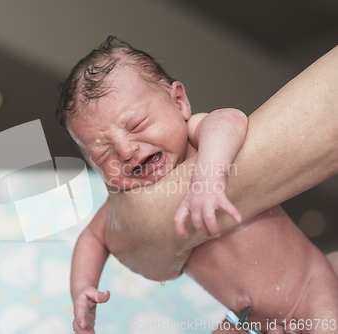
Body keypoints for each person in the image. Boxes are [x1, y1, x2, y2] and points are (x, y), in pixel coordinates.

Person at [56, 36, 338, 333]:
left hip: (308, 286)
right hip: (246, 320)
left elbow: (229, 120)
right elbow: (93, 238)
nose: (126, 151)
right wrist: (82, 287)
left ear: (179, 102)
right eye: (102, 153)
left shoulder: (196, 139)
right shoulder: (126, 199)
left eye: (136, 125)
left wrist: (207, 177)